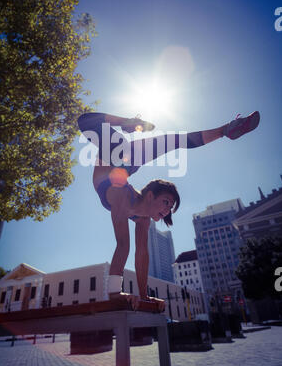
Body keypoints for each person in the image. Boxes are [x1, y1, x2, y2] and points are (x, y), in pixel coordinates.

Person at [78, 111, 260, 311]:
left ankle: (226, 130)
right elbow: (123, 245)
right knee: (86, 121)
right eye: (166, 202)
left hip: (124, 163)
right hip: (117, 154)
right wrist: (114, 293)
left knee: (174, 141)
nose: (167, 210)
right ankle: (130, 122)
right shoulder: (121, 196)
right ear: (150, 196)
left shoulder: (142, 218)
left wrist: (144, 295)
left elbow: (142, 254)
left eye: (170, 207)